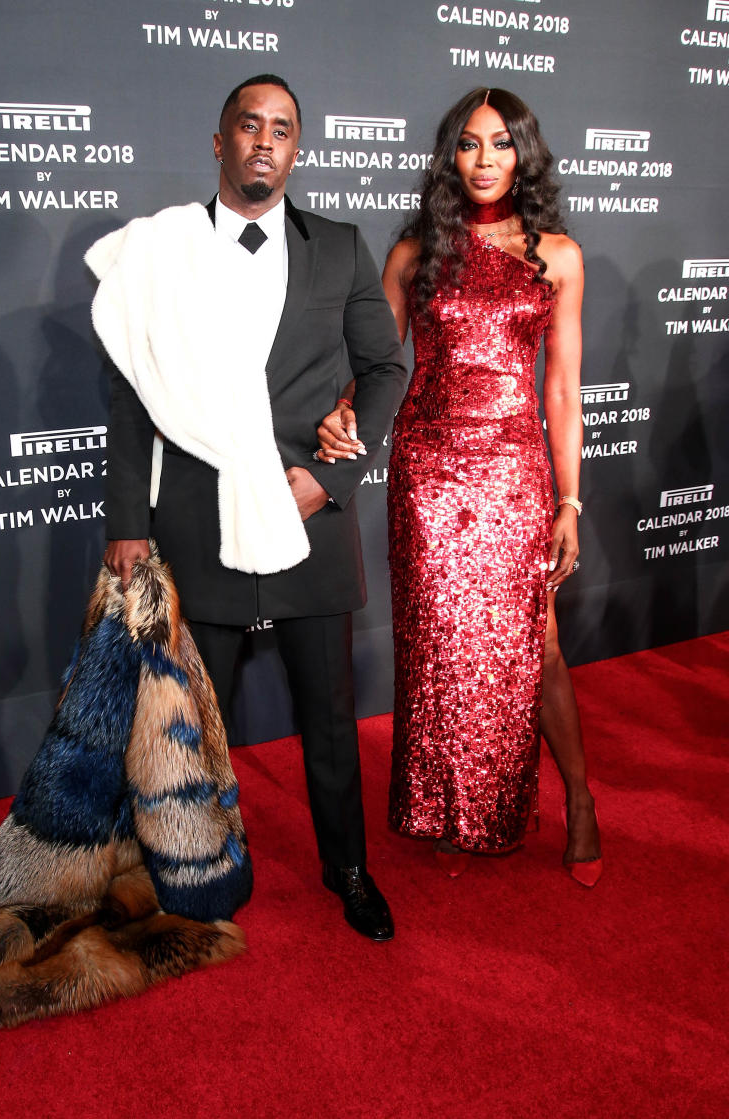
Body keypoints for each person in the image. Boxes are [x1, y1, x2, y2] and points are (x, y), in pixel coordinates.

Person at [89, 74, 408, 939]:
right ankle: (195, 872)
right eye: (249, 126)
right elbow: (131, 392)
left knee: (332, 720)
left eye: (283, 129)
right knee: (192, 720)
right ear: (220, 140)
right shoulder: (164, 250)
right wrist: (127, 520)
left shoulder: (340, 247)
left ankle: (348, 869)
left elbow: (387, 370)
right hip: (198, 517)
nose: (265, 141)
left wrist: (333, 480)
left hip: (308, 516)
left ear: (296, 148)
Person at [317, 88, 602, 886]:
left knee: (531, 644)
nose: (485, 161)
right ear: (451, 156)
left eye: (501, 145)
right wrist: (343, 414)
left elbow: (563, 393)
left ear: (524, 155)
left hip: (515, 473)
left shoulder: (559, 255)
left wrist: (570, 501)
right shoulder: (416, 254)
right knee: (441, 647)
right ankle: (457, 804)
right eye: (470, 145)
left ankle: (578, 797)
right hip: (428, 475)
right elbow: (381, 368)